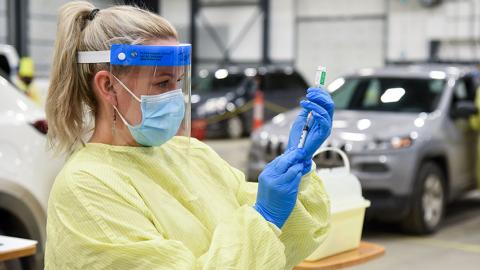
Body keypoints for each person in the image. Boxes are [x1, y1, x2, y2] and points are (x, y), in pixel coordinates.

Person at [44, 2, 334, 269]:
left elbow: (289, 242)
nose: (175, 96)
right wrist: (264, 218)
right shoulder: (85, 187)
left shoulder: (191, 154)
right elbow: (259, 229)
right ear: (108, 86)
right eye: (161, 83)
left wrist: (298, 165)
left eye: (179, 82)